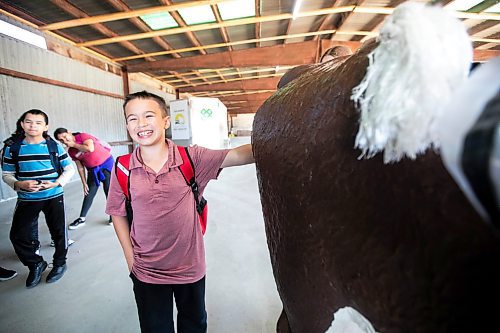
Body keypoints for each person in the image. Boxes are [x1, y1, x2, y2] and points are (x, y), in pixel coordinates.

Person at [106, 91, 255, 333]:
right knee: (155, 327)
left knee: (194, 324)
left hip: (189, 267)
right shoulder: (122, 166)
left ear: (166, 121)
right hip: (146, 270)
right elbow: (117, 212)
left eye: (148, 116)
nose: (141, 124)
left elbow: (237, 155)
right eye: (132, 118)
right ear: (126, 125)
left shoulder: (191, 157)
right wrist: (130, 258)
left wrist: (276, 137)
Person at [1, 109, 75, 288]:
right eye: (29, 121)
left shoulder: (53, 145)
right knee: (18, 235)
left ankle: (59, 264)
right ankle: (36, 264)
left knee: (58, 232)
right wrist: (19, 184)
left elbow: (69, 168)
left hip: (53, 196)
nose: (33, 125)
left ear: (45, 126)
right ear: (22, 124)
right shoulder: (13, 147)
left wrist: (57, 183)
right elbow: (7, 174)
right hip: (27, 198)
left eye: (38, 122)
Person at [54, 128, 114, 229]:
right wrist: (83, 182)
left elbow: (89, 148)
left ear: (69, 132)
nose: (64, 141)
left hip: (107, 165)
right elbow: (80, 167)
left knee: (109, 192)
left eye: (65, 137)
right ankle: (82, 218)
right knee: (89, 193)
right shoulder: (72, 151)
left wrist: (73, 144)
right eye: (61, 140)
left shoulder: (82, 136)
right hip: (92, 170)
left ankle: (114, 216)